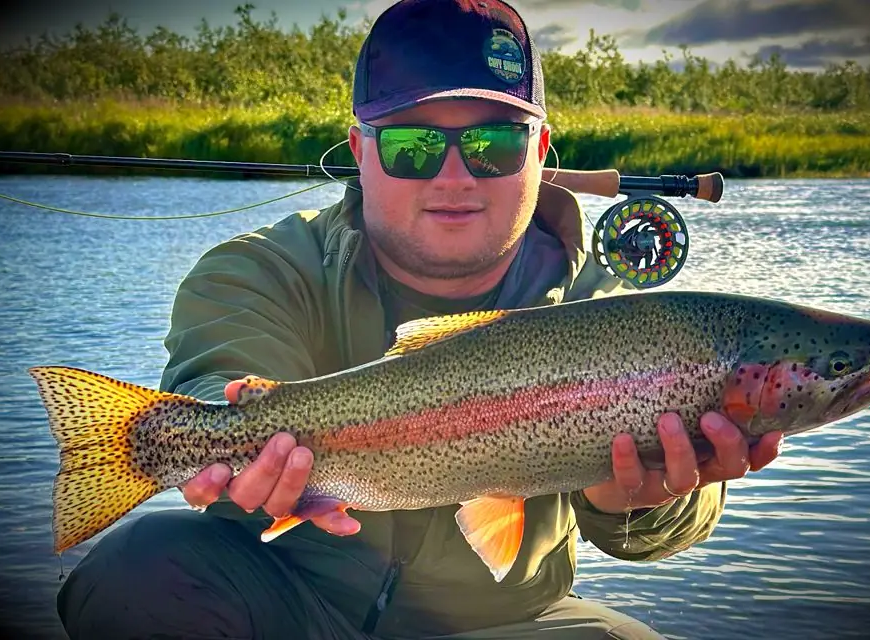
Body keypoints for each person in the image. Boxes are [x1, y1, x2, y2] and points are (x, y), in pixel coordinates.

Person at [56, 1, 783, 638]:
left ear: (538, 151)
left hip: (514, 627)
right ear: (359, 153)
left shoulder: (611, 308)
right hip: (293, 610)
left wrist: (639, 502)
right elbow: (216, 382)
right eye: (413, 145)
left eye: (493, 144)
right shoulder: (259, 271)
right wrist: (223, 438)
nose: (455, 176)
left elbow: (657, 536)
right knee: (140, 571)